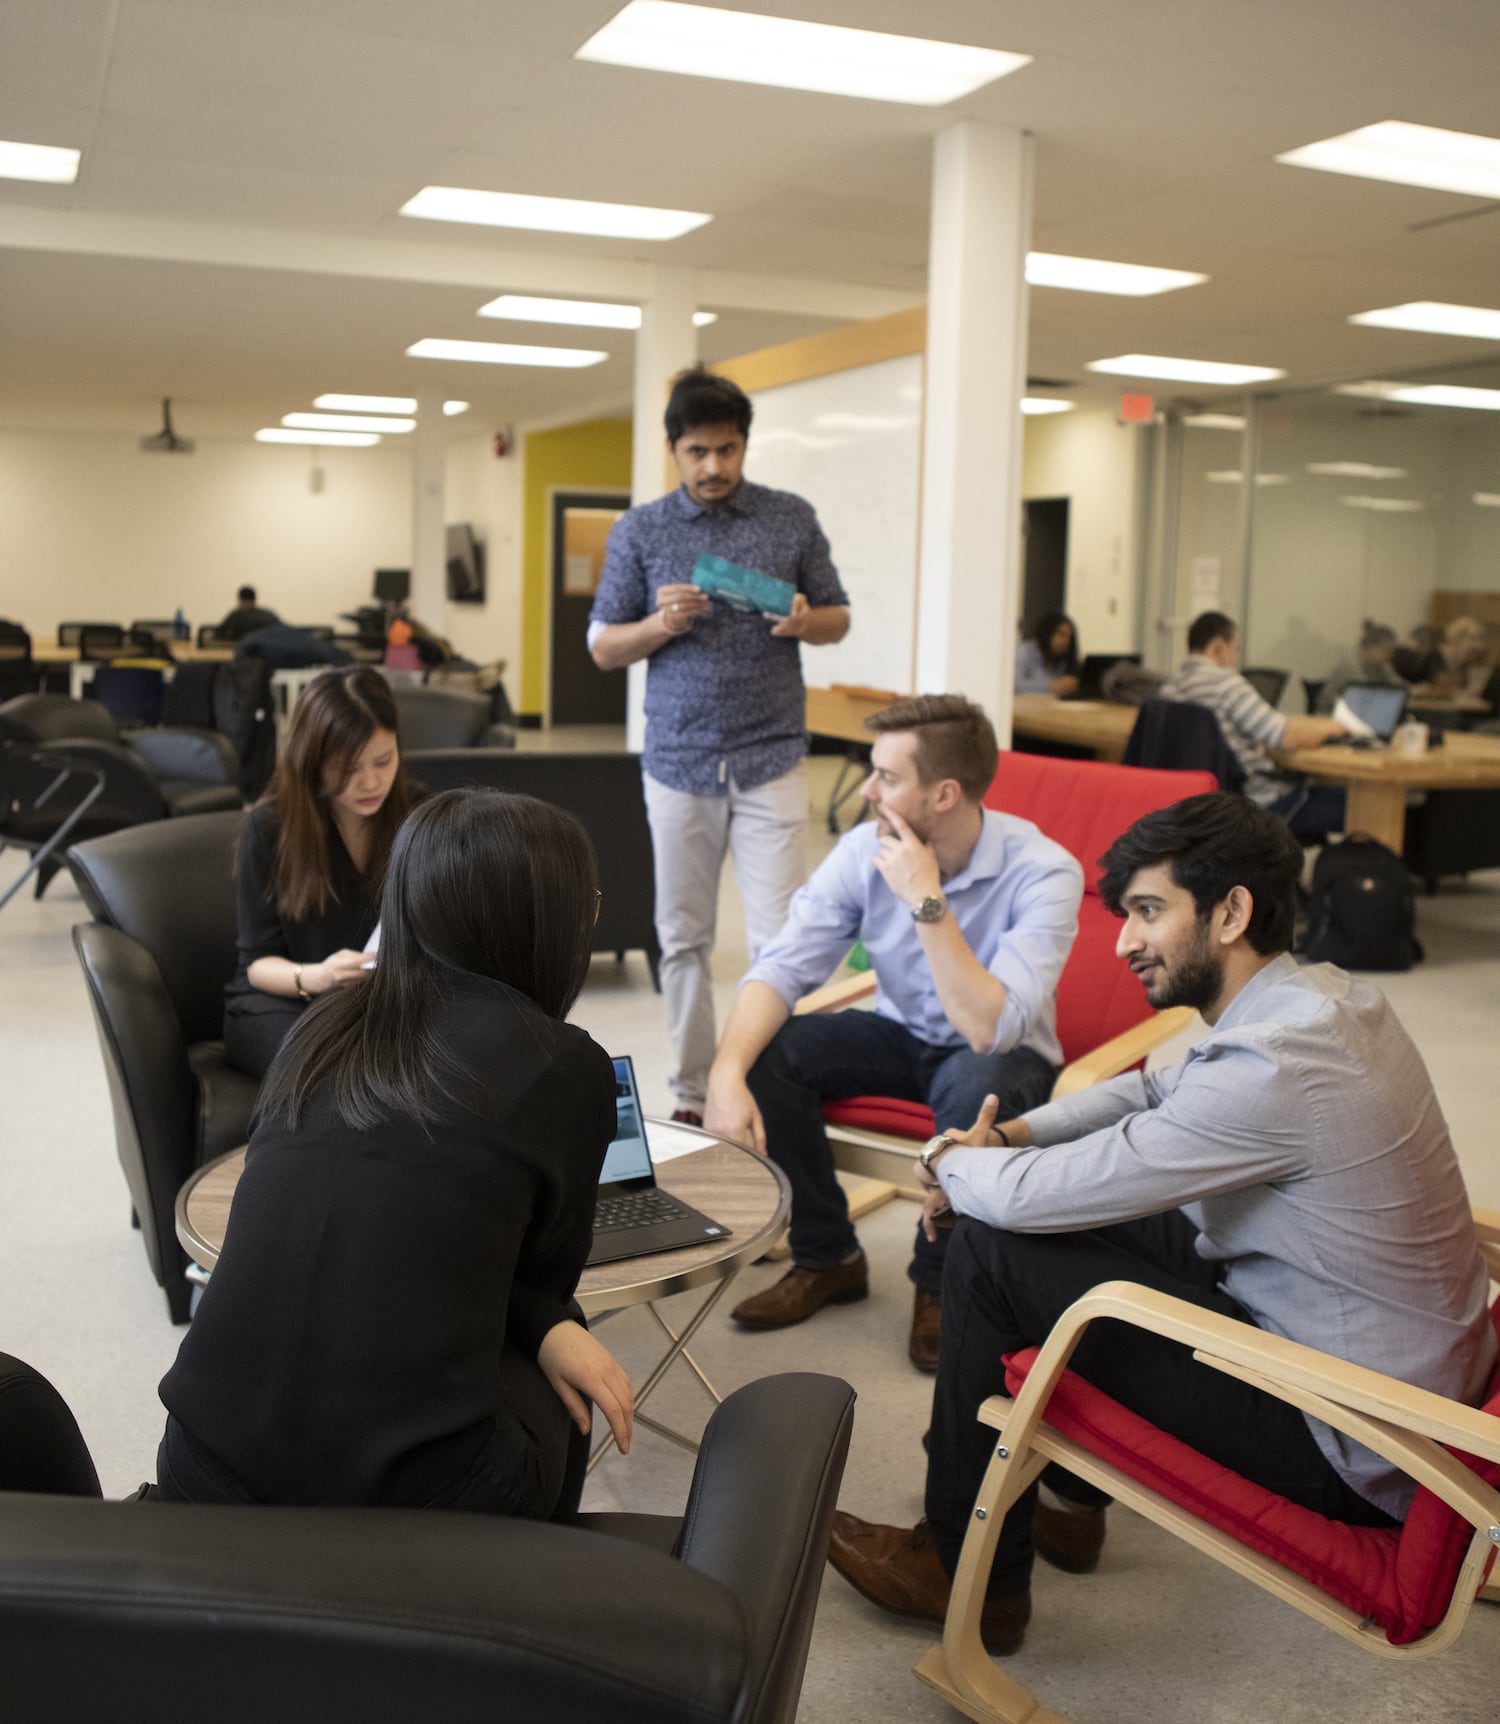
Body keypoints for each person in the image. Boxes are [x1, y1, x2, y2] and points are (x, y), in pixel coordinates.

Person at [827, 792, 1494, 1654]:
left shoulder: (1272, 1068)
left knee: (991, 1243)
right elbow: (1151, 1088)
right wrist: (1011, 1134)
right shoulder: (1321, 1000)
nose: (1123, 941)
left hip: (1350, 1439)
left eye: (1147, 912)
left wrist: (950, 1163)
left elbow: (1031, 1198)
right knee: (1018, 1214)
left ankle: (969, 1572)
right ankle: (1069, 1502)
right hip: (1370, 1368)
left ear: (1232, 912)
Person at [158, 788, 633, 1515]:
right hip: (412, 1494)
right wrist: (550, 1326)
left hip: (199, 1460)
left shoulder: (318, 1030)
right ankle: (534, 1584)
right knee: (570, 1360)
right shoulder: (563, 1065)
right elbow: (540, 1277)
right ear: (546, 922)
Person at [704, 695, 1082, 1370]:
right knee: (770, 1055)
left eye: (886, 776)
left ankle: (938, 1283)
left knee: (975, 1085)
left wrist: (924, 897)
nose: (868, 789)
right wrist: (725, 1072)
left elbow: (987, 1027)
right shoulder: (862, 850)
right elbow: (782, 967)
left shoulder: (1045, 870)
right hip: (901, 1036)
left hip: (1001, 1053)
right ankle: (829, 1258)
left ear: (944, 793)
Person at [588, 364, 851, 1125]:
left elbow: (839, 617)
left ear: (744, 446)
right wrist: (658, 626)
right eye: (699, 451)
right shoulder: (640, 529)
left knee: (782, 938)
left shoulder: (789, 518)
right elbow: (604, 646)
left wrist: (808, 621)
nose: (714, 467)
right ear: (674, 448)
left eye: (728, 450)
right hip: (678, 760)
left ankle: (769, 1083)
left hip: (771, 754)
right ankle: (694, 1089)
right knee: (683, 937)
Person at [222, 665, 418, 1080]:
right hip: (285, 996)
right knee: (330, 1069)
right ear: (312, 761)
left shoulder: (418, 815)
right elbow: (256, 964)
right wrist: (321, 975)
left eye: (383, 760)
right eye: (347, 768)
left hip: (380, 999)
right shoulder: (272, 827)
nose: (370, 781)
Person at [1162, 611, 1347, 838]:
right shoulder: (1226, 683)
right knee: (1352, 807)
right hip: (1251, 802)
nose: (1236, 659)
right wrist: (1332, 727)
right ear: (1218, 647)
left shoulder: (1169, 688)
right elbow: (1286, 736)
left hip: (1195, 801)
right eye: (1235, 649)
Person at [1314, 618, 1406, 713]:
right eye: (1386, 651)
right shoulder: (1352, 664)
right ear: (1371, 647)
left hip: (1360, 712)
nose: (1390, 656)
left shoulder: (1381, 664)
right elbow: (1364, 696)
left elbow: (1398, 687)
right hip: (1331, 714)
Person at [1014, 612, 1080, 696]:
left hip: (1050, 706)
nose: (1066, 641)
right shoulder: (1025, 651)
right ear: (1047, 633)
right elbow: (1014, 685)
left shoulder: (1062, 660)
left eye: (1069, 637)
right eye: (1061, 635)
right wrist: (1052, 685)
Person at [215, 584, 281, 642]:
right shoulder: (268, 615)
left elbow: (219, 634)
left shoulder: (236, 615)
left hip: (242, 650)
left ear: (241, 600)